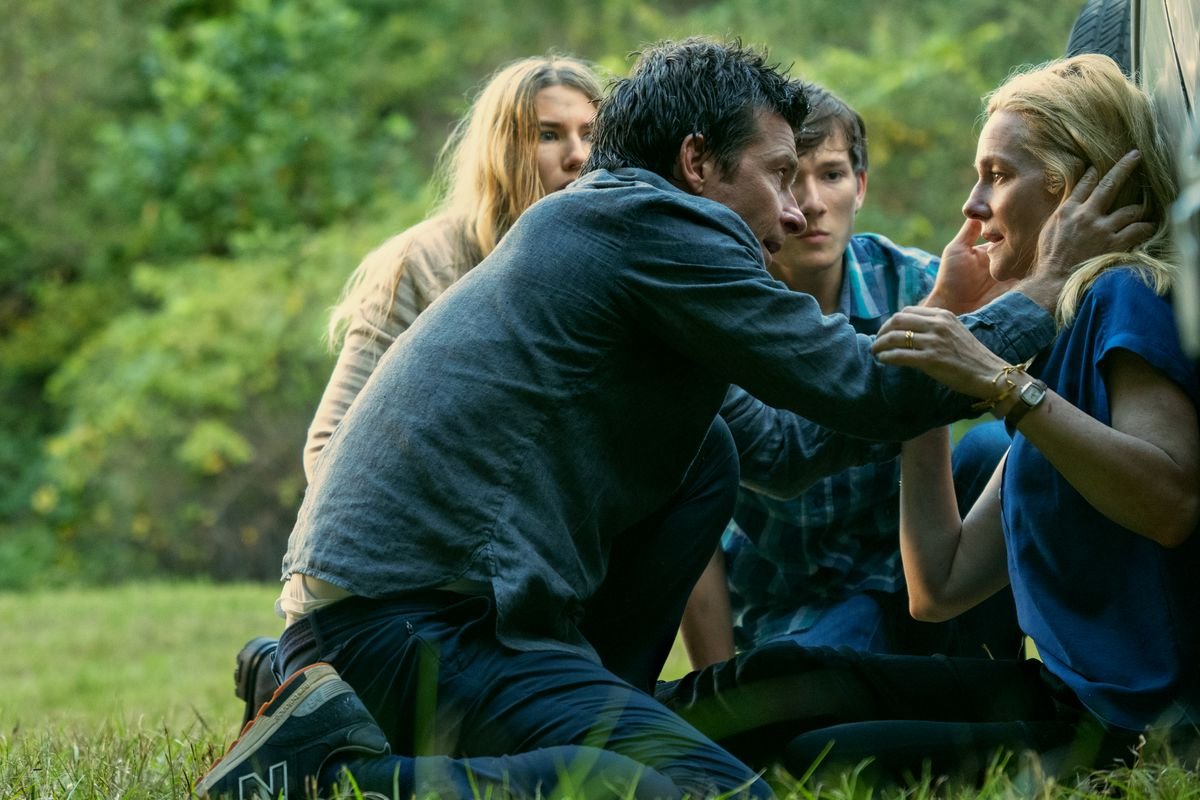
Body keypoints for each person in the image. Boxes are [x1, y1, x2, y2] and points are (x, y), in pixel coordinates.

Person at [197, 39, 1146, 800]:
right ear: (697, 162)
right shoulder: (653, 228)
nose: (790, 212)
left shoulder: (626, 241)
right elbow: (869, 393)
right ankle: (324, 775)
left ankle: (556, 697)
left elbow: (780, 450)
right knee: (702, 788)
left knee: (714, 455)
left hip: (419, 619)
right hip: (418, 625)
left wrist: (944, 320)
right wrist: (1047, 288)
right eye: (776, 175)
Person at [659, 53, 1198, 782]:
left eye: (998, 175)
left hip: (1134, 729)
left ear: (1069, 193)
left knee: (813, 756)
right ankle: (589, 727)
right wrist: (934, 372)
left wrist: (998, 382)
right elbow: (938, 588)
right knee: (777, 682)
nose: (973, 205)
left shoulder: (1123, 297)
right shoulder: (1066, 333)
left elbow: (1171, 503)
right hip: (1059, 696)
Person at [234, 53, 603, 727]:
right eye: (549, 135)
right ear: (503, 148)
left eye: (590, 134)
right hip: (403, 590)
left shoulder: (601, 271)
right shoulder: (425, 261)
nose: (576, 155)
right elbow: (328, 447)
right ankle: (287, 673)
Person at [679, 83, 1016, 669]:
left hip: (921, 570)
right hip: (802, 601)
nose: (810, 202)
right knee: (810, 702)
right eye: (789, 178)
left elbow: (1027, 364)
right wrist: (718, 688)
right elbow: (697, 520)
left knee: (996, 449)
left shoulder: (918, 283)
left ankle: (997, 676)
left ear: (860, 186)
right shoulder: (719, 310)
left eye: (831, 175)